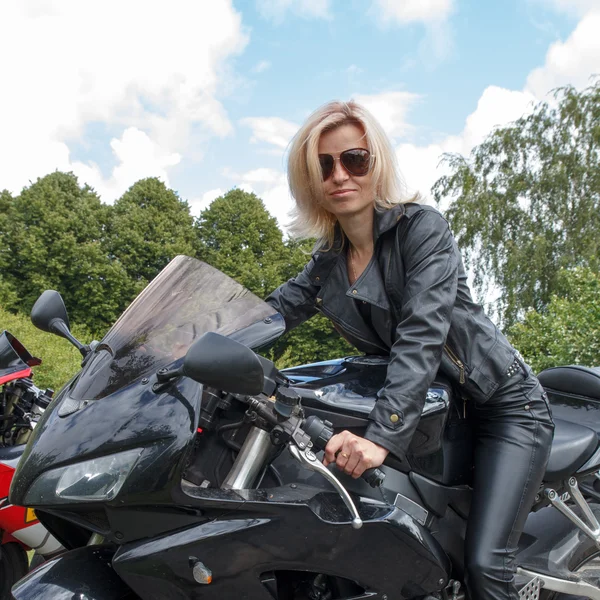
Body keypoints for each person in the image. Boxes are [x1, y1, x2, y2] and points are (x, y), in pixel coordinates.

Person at [265, 100, 555, 600]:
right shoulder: (330, 259)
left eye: (354, 160)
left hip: (504, 408)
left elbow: (420, 336)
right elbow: (268, 314)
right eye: (324, 165)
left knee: (486, 567)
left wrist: (382, 435)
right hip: (438, 412)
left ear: (377, 164)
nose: (340, 175)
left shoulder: (423, 230)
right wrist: (166, 349)